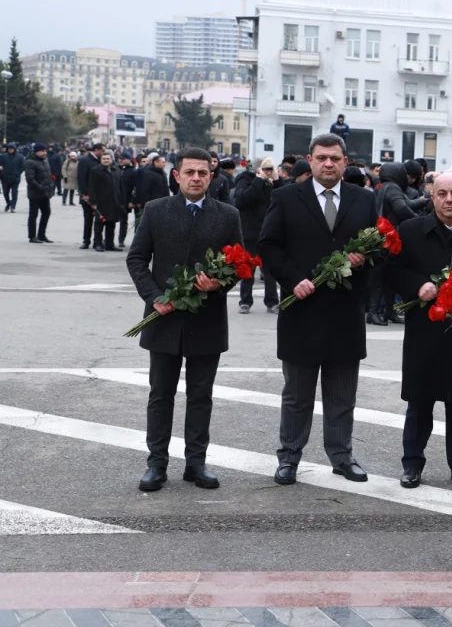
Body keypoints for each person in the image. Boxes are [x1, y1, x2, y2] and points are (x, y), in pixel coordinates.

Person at [258, 134, 377, 486]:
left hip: (345, 313)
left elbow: (380, 250)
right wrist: (293, 280)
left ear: (345, 162)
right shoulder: (284, 197)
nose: (329, 164)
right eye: (322, 157)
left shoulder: (364, 200)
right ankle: (289, 457)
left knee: (342, 395)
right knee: (297, 395)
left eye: (336, 158)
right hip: (302, 310)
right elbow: (268, 246)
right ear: (309, 160)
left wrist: (364, 260)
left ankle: (341, 456)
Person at [126, 147, 243, 492]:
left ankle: (196, 463)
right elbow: (136, 259)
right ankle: (156, 464)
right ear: (176, 176)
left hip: (207, 319)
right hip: (163, 319)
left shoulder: (227, 215)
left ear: (211, 177)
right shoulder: (156, 210)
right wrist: (154, 297)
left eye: (202, 173)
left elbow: (238, 265)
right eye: (189, 172)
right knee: (161, 394)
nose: (196, 178)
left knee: (201, 396)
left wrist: (219, 282)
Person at [391, 173, 452, 488]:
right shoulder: (412, 230)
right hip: (424, 331)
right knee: (420, 401)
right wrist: (418, 286)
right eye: (442, 193)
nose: (448, 200)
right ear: (431, 196)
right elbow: (392, 273)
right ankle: (412, 464)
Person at [372, 162, 429, 324]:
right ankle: (376, 312)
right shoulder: (393, 188)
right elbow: (401, 208)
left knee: (386, 276)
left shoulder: (384, 187)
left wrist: (423, 201)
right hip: (390, 238)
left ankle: (387, 311)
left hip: (384, 236)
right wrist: (419, 222)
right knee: (382, 276)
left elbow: (406, 204)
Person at [233, 158, 280, 314]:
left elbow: (282, 199)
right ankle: (245, 301)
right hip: (250, 233)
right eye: (265, 169)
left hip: (268, 232)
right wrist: (258, 180)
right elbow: (241, 200)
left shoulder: (270, 182)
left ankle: (272, 301)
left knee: (269, 271)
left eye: (269, 169)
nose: (267, 172)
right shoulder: (245, 180)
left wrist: (277, 180)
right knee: (248, 269)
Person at [90, 151, 124, 251]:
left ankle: (109, 244)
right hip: (101, 202)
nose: (105, 160)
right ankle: (98, 243)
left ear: (112, 159)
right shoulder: (95, 171)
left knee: (111, 224)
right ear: (100, 160)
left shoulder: (116, 170)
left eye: (107, 158)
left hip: (114, 202)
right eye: (103, 159)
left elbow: (121, 187)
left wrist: (122, 201)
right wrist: (93, 202)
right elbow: (92, 187)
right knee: (99, 224)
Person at [77, 142, 106, 249]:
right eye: (102, 150)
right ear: (96, 150)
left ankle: (97, 241)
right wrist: (85, 193)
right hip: (88, 195)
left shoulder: (102, 160)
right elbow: (81, 178)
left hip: (100, 195)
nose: (104, 153)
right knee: (88, 219)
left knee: (99, 219)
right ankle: (86, 240)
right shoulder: (85, 160)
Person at [24, 143, 54, 244]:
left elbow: (48, 175)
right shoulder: (30, 162)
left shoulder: (45, 161)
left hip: (45, 193)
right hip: (35, 194)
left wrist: (50, 186)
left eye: (45, 151)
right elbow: (30, 179)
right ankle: (32, 236)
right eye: (43, 151)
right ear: (37, 151)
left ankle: (41, 235)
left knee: (46, 213)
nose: (45, 152)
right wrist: (40, 187)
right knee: (33, 215)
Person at [117, 153, 138, 249]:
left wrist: (132, 201)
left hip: (127, 199)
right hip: (117, 198)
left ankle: (121, 239)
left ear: (129, 160)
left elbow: (135, 187)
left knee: (124, 221)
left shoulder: (133, 171)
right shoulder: (116, 169)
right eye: (120, 159)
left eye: (123, 159)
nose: (121, 160)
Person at [1, 143, 25, 212]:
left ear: (14, 149)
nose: (10, 150)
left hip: (15, 178)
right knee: (5, 193)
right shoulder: (3, 156)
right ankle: (8, 203)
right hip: (5, 177)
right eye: (9, 149)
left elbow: (23, 166)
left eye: (11, 149)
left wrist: (18, 172)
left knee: (14, 193)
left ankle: (13, 206)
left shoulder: (20, 157)